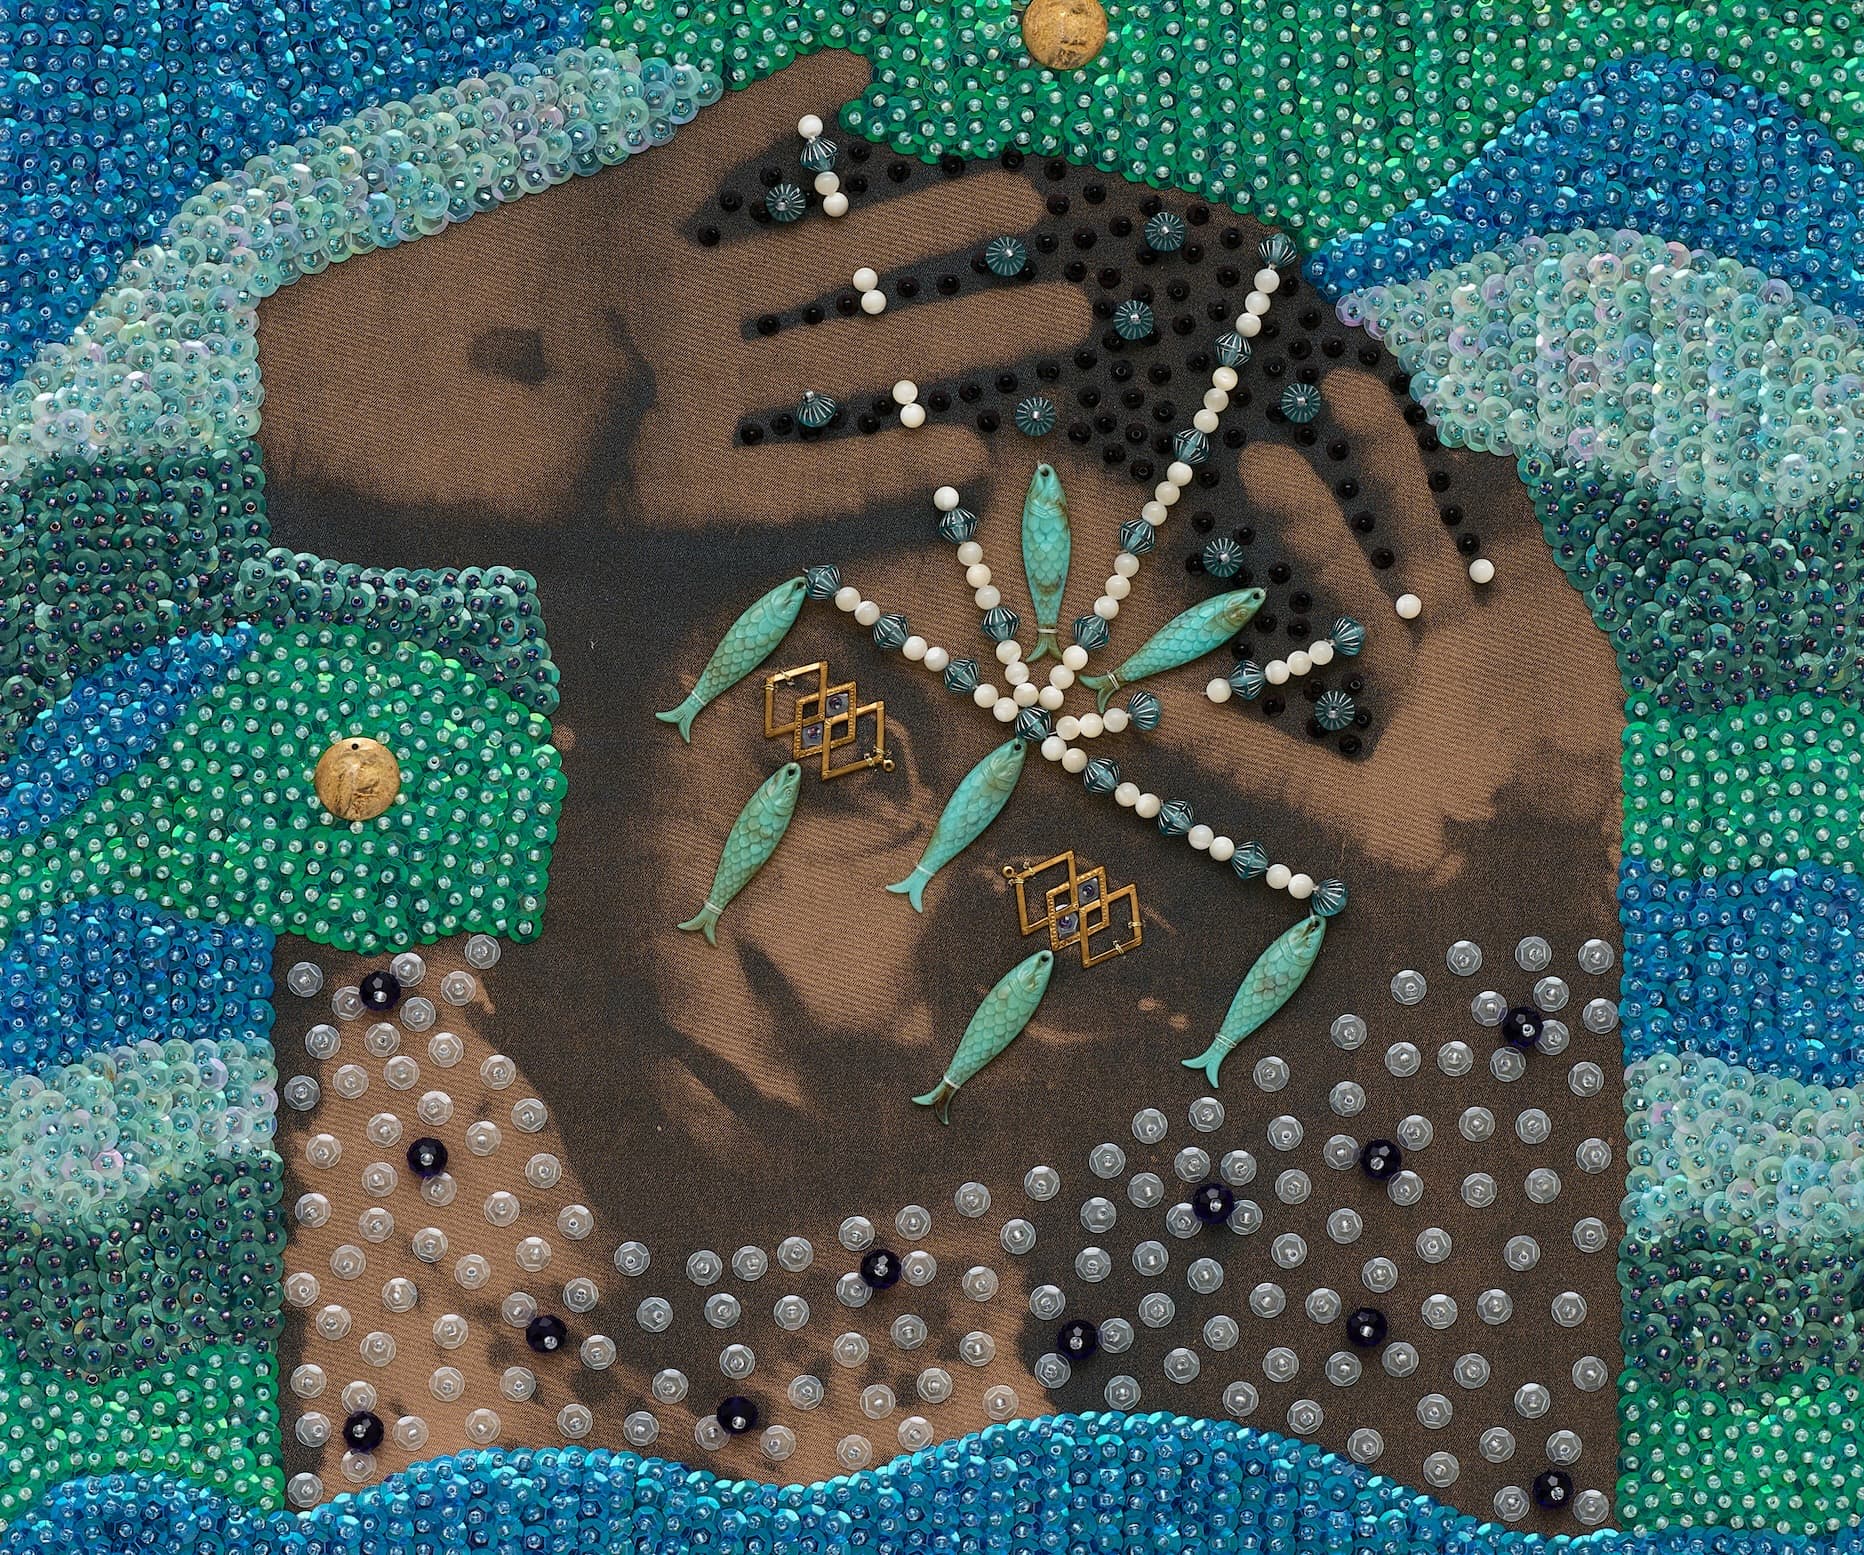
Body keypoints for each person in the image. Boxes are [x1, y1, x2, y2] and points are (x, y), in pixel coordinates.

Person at [259, 49, 1625, 1505]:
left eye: (1072, 915)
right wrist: (274, 416)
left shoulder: (1133, 1424)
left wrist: (1497, 951)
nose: (842, 988)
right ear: (624, 645)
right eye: (831, 743)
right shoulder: (201, 1097)